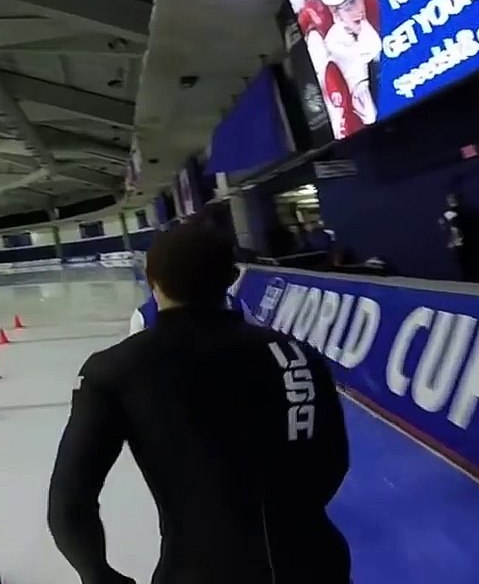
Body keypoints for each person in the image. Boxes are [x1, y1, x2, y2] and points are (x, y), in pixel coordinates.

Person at [48, 224, 351, 584]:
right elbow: (332, 462)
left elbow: (69, 505)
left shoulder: (115, 369)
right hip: (315, 565)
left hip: (196, 571)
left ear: (151, 281)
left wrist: (97, 574)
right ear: (233, 277)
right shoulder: (296, 354)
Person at [439, 192, 479, 283]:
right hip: (477, 243)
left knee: (466, 268)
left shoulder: (450, 214)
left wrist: (452, 241)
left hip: (463, 244)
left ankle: (468, 283)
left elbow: (449, 228)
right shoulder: (473, 211)